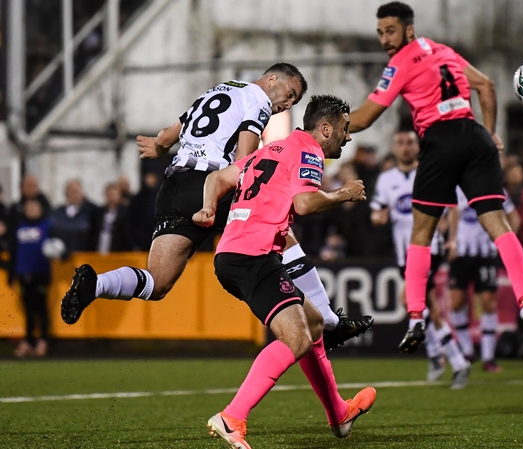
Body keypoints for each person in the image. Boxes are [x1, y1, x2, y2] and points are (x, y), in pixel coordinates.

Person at [59, 64, 371, 350]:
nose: (288, 104)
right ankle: (329, 319)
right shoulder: (259, 99)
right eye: (290, 94)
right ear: (272, 79)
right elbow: (244, 160)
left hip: (174, 185)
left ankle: (95, 283)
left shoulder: (218, 90)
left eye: (295, 101)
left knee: (157, 281)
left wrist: (158, 147)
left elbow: (168, 135)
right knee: (281, 228)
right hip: (210, 180)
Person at [347, 1, 523, 357]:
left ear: (408, 30)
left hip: (441, 140)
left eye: (390, 31)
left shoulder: (400, 63)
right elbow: (486, 85)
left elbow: (364, 119)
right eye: (380, 33)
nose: (384, 39)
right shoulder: (443, 50)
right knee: (499, 226)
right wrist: (492, 135)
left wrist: (328, 127)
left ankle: (416, 318)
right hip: (475, 136)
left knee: (420, 234)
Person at [195, 95, 375, 448]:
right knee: (296, 339)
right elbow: (304, 204)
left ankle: (339, 413)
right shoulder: (309, 152)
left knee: (314, 323)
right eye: (345, 128)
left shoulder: (270, 150)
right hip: (254, 255)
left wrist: (207, 208)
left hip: (234, 253)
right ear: (325, 129)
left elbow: (217, 177)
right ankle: (232, 417)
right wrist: (344, 194)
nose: (348, 137)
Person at [371, 130, 471, 388]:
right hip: (404, 252)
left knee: (416, 301)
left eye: (410, 142)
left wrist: (452, 237)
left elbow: (453, 206)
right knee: (425, 305)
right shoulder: (386, 179)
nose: (405, 147)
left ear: (418, 146)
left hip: (428, 247)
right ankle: (441, 356)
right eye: (401, 143)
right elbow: (376, 212)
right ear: (394, 148)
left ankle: (454, 360)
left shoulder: (429, 172)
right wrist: (379, 217)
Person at [447, 187, 519, 372]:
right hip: (460, 254)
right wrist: (448, 240)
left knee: (488, 302)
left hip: (485, 254)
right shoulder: (453, 187)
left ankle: (488, 358)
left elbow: (514, 217)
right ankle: (468, 352)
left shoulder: (494, 186)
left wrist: (506, 242)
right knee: (456, 302)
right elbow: (442, 216)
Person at [12, 199, 53, 358]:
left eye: (35, 208)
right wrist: (12, 273)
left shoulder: (47, 226)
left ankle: (43, 339)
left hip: (40, 273)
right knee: (28, 310)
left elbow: (57, 245)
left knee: (41, 308)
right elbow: (15, 250)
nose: (32, 210)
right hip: (23, 273)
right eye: (29, 208)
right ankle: (29, 340)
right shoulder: (20, 226)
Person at [50, 179, 99, 256]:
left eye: (77, 192)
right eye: (72, 192)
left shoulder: (91, 211)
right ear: (66, 194)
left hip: (84, 256)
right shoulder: (57, 212)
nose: (75, 195)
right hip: (62, 258)